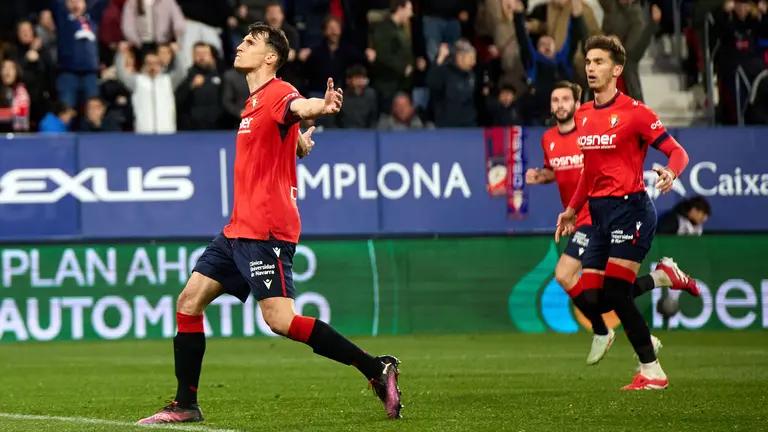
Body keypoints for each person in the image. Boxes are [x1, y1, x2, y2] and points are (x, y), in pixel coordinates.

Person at [137, 23, 403, 425]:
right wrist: (298, 141)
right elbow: (285, 127)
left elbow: (299, 106)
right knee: (188, 302)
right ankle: (186, 405)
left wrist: (321, 106)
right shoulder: (255, 101)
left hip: (266, 230)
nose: (240, 46)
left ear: (270, 58)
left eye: (250, 42)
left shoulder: (278, 91)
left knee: (280, 320)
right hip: (237, 230)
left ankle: (375, 367)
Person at [526, 81, 700, 366]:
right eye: (554, 99)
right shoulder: (549, 139)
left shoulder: (597, 123)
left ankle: (604, 332)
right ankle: (657, 286)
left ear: (575, 103)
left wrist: (669, 171)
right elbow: (565, 172)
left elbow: (598, 169)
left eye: (564, 99)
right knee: (603, 296)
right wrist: (545, 179)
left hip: (604, 215)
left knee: (567, 275)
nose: (559, 105)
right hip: (589, 212)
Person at [554, 35, 692, 391]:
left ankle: (653, 372)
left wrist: (671, 172)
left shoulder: (635, 113)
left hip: (630, 209)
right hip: (597, 214)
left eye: (599, 62)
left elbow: (678, 152)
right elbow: (589, 171)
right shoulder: (583, 115)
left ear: (617, 70)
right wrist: (572, 209)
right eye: (588, 62)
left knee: (616, 293)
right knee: (595, 298)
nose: (591, 68)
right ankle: (663, 277)